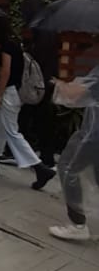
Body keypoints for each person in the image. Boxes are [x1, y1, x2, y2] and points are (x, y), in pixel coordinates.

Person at [0, 19, 55, 188]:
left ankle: (40, 168)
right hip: (15, 92)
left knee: (12, 132)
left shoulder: (7, 46)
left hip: (9, 93)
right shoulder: (15, 44)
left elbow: (6, 71)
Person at [49, 67, 99, 242]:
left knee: (67, 168)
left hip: (92, 135)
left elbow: (76, 93)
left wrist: (59, 85)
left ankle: (78, 225)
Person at [20, 0, 59, 168]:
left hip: (39, 81)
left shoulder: (40, 31)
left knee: (34, 117)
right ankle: (44, 154)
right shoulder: (49, 28)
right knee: (42, 119)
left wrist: (28, 48)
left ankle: (34, 154)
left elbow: (38, 57)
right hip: (47, 79)